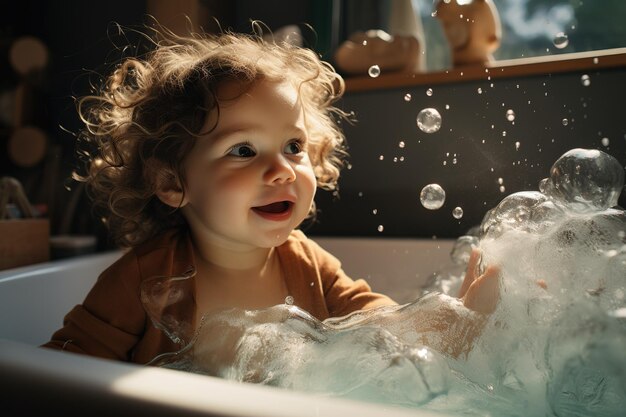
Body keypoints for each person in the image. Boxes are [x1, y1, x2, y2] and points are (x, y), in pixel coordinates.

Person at [43, 25, 499, 365]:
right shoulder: (143, 280)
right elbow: (57, 373)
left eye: (294, 147)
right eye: (244, 150)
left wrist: (450, 323)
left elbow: (381, 326)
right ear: (172, 183)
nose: (282, 170)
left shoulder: (309, 266)